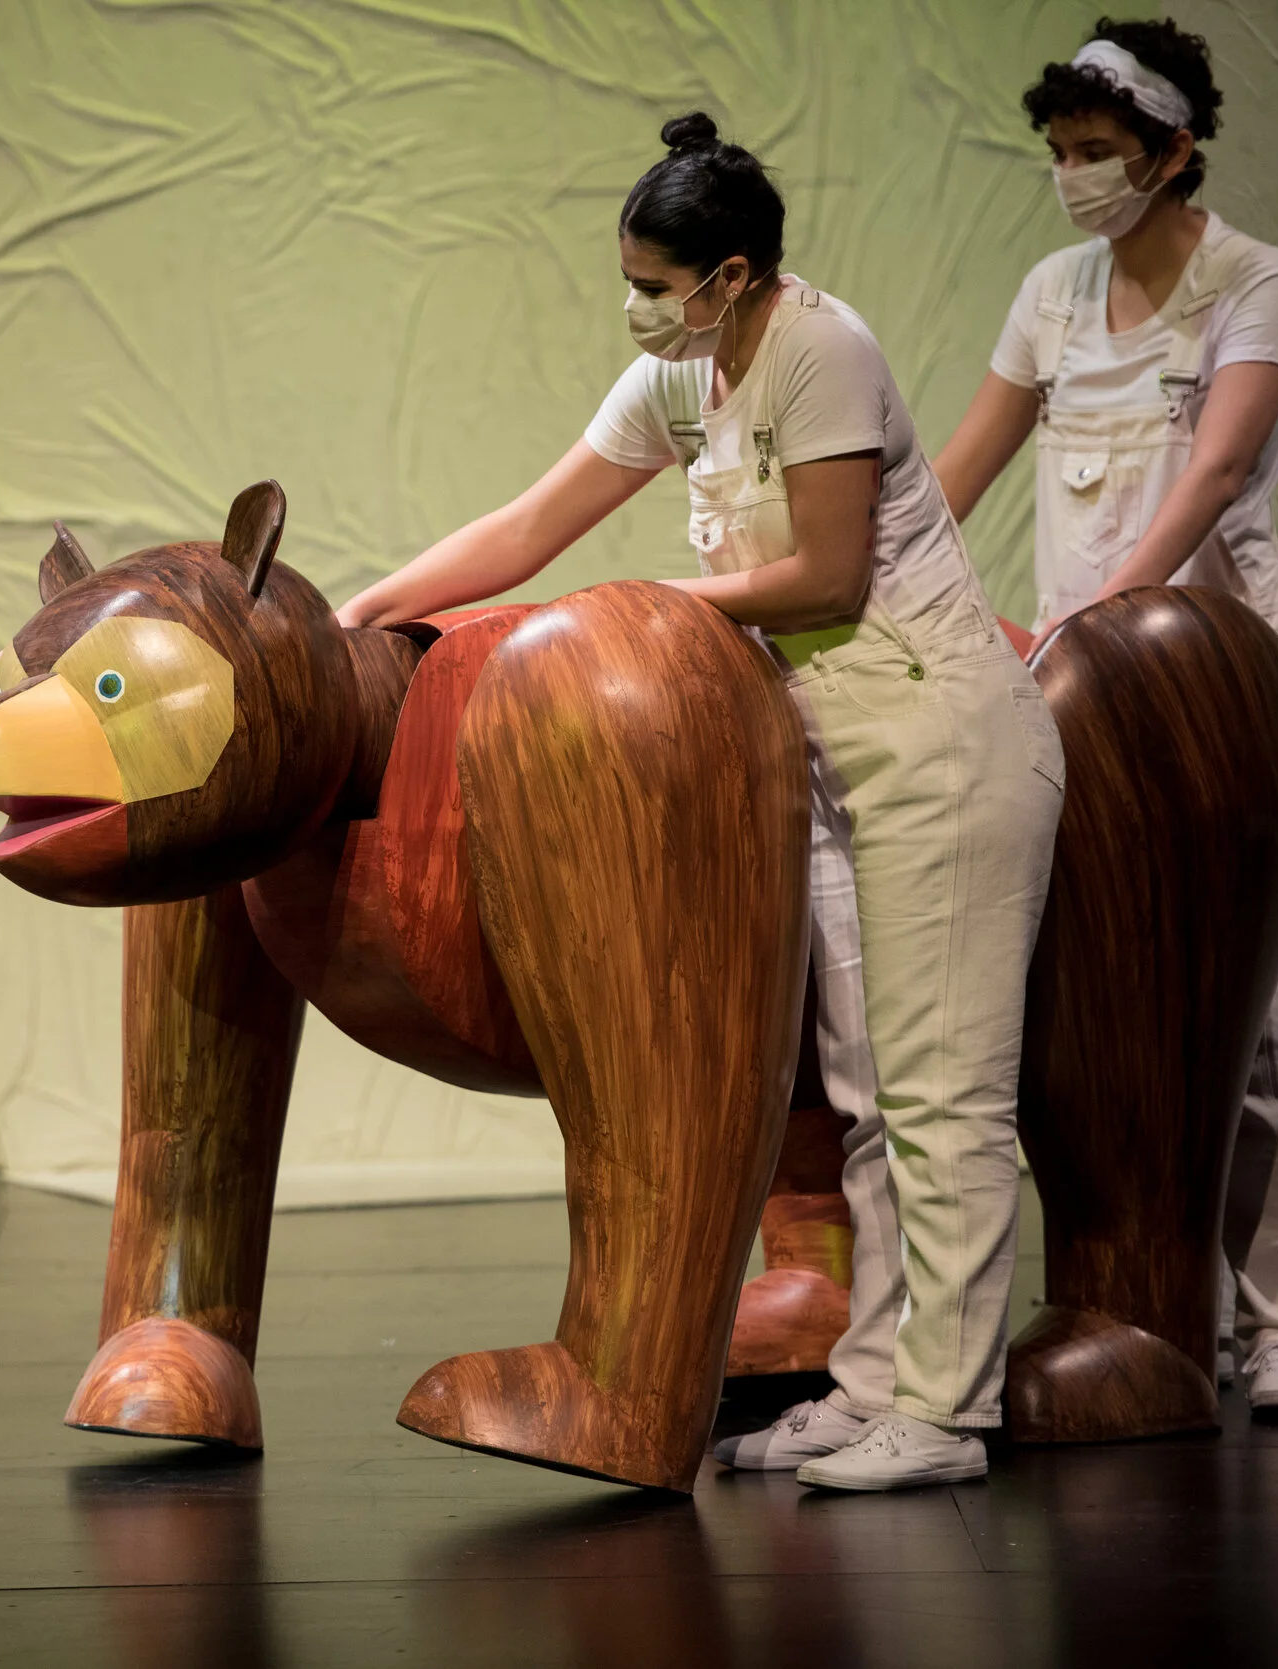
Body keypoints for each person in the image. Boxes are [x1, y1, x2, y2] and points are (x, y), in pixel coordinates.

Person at [340, 113, 1065, 1490]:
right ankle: (875, 1385)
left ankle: (948, 1413)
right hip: (825, 763)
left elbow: (828, 579)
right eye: (628, 280)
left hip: (939, 741)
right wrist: (359, 613)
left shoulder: (819, 349)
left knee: (942, 1094)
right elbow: (526, 525)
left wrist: (639, 605)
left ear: (731, 277)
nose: (637, 307)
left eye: (655, 285)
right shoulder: (679, 373)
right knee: (864, 1095)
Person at [933, 19, 1278, 1417]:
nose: (1076, 174)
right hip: (1074, 690)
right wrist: (883, 577)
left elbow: (1215, 470)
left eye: (1099, 150)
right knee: (1093, 1006)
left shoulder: (1249, 277)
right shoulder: (1051, 293)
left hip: (1218, 684)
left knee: (1251, 1011)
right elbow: (960, 471)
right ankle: (1139, 1297)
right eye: (1060, 152)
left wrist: (1112, 618)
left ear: (1173, 151)